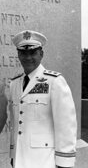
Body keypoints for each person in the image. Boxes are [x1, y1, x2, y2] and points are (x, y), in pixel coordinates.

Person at [9, 30, 77, 168]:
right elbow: (15, 124)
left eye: (33, 53)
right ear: (18, 55)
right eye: (23, 53)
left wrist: (64, 163)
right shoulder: (14, 84)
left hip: (44, 160)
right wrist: (12, 154)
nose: (28, 58)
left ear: (41, 54)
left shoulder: (55, 81)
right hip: (19, 158)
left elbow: (66, 125)